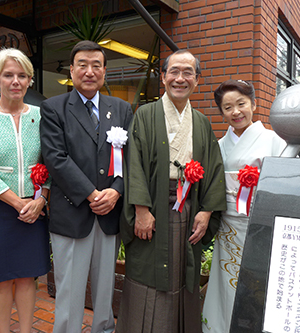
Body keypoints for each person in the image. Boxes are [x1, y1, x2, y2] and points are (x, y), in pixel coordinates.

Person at [116, 50, 226, 333]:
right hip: (152, 208)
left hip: (188, 209)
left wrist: (206, 210)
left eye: (188, 72)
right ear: (162, 76)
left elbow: (213, 167)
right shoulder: (145, 114)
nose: (180, 78)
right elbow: (134, 163)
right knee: (148, 273)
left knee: (181, 273)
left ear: (197, 80)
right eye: (174, 71)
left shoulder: (201, 122)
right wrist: (140, 209)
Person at [40, 40, 133, 333]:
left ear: (104, 71)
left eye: (96, 65)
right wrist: (92, 194)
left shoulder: (121, 109)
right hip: (72, 211)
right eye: (82, 64)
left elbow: (131, 158)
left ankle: (103, 329)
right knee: (70, 288)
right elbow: (56, 158)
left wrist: (116, 190)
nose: (89, 71)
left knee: (106, 286)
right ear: (71, 70)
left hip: (109, 214)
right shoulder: (54, 108)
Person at [0, 48, 51, 333]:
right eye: (8, 75)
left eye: (22, 76)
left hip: (35, 207)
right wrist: (18, 203)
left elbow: (53, 161)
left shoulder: (42, 116)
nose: (16, 81)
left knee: (28, 277)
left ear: (29, 81)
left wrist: (40, 201)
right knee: (1, 278)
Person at [202, 79, 286, 332]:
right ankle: (219, 325)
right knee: (225, 277)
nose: (235, 112)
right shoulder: (219, 145)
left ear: (254, 104)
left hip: (259, 224)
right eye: (228, 108)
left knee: (258, 279)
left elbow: (282, 185)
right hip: (227, 222)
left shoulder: (274, 140)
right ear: (222, 113)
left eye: (241, 104)